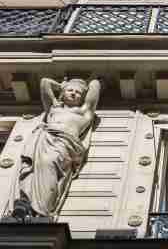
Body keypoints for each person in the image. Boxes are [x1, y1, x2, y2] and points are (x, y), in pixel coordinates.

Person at [10, 77, 101, 220]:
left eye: (78, 93)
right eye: (70, 91)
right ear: (63, 93)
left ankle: (43, 210)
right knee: (32, 169)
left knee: (49, 163)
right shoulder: (54, 108)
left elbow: (95, 86)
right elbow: (44, 82)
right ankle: (26, 204)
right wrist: (61, 87)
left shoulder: (84, 111)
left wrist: (86, 85)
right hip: (43, 139)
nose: (73, 94)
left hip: (64, 144)